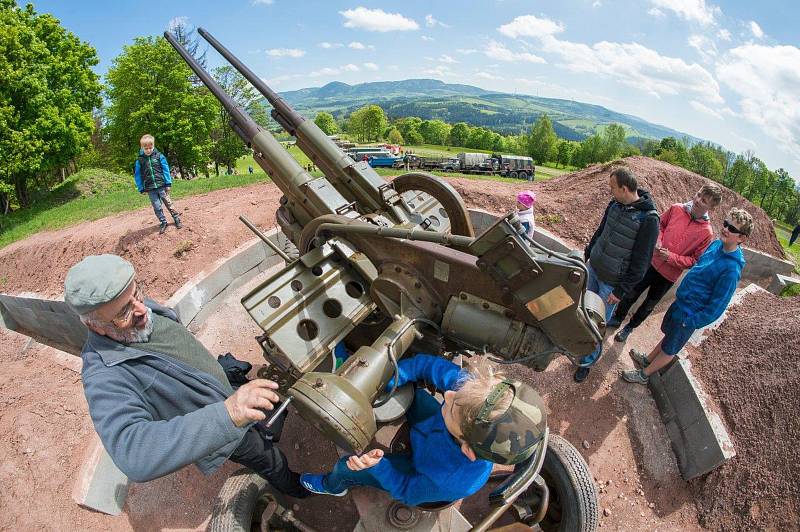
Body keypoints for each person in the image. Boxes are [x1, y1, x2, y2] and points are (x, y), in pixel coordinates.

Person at [66, 254, 309, 497]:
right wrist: (228, 414)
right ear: (94, 325)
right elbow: (133, 453)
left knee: (270, 415)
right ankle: (297, 488)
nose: (142, 309)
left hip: (222, 390)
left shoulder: (137, 312)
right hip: (224, 428)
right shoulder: (105, 375)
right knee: (269, 459)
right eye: (123, 312)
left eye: (136, 293)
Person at [299, 355, 545, 506]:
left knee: (345, 467)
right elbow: (428, 366)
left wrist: (379, 467)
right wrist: (396, 378)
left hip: (422, 469)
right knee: (410, 395)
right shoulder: (473, 397)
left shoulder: (451, 481)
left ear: (468, 448)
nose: (447, 395)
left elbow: (406, 490)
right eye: (455, 393)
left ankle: (333, 486)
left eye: (451, 407)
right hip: (431, 431)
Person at [622, 208, 753, 385]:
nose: (726, 229)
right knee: (669, 336)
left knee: (671, 347)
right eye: (726, 224)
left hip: (690, 314)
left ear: (742, 238)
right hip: (682, 302)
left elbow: (717, 307)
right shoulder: (716, 245)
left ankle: (644, 375)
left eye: (732, 229)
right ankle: (648, 359)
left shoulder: (731, 270)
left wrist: (691, 321)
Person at [574, 167, 659, 383]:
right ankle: (576, 345)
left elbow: (641, 263)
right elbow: (601, 231)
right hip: (594, 269)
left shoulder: (648, 219)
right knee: (584, 313)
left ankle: (587, 361)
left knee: (596, 324)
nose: (610, 191)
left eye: (612, 188)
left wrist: (621, 291)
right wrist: (588, 255)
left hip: (611, 284)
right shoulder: (615, 204)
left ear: (624, 188)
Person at [610, 184, 722, 343]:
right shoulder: (676, 208)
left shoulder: (707, 233)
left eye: (703, 200)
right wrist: (658, 240)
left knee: (649, 305)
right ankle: (617, 318)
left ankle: (629, 328)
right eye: (698, 195)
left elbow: (695, 260)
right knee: (631, 292)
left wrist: (671, 258)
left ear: (712, 208)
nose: (697, 200)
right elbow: (659, 224)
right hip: (650, 262)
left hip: (668, 276)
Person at [134, 134, 182, 234]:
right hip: (150, 188)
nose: (148, 150)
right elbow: (137, 175)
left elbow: (165, 170)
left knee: (168, 203)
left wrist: (168, 183)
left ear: (153, 146)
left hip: (162, 186)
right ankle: (163, 222)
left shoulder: (159, 156)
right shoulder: (140, 161)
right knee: (157, 207)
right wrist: (141, 188)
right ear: (142, 147)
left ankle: (176, 218)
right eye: (146, 148)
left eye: (150, 148)